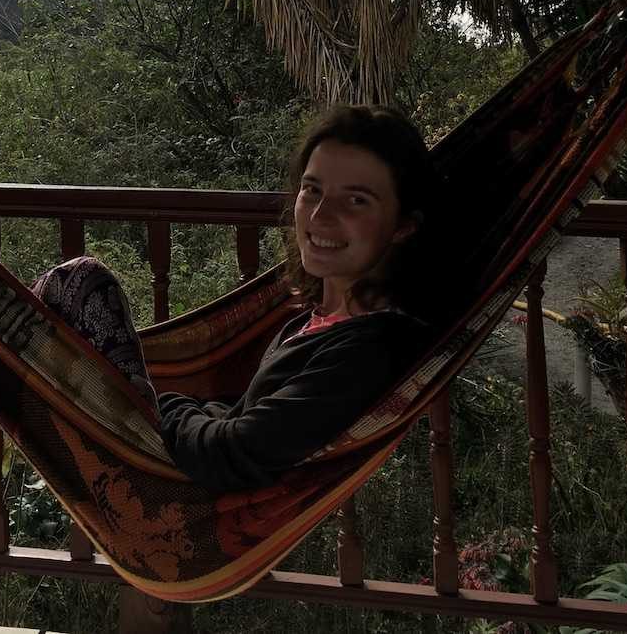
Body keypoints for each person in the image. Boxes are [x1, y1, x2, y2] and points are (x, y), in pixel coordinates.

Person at [31, 105, 440, 493]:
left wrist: (160, 407)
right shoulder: (313, 323)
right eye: (311, 190)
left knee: (80, 282)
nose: (318, 217)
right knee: (67, 294)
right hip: (171, 460)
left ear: (403, 225)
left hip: (176, 491)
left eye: (356, 200)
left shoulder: (368, 350)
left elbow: (233, 450)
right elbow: (246, 423)